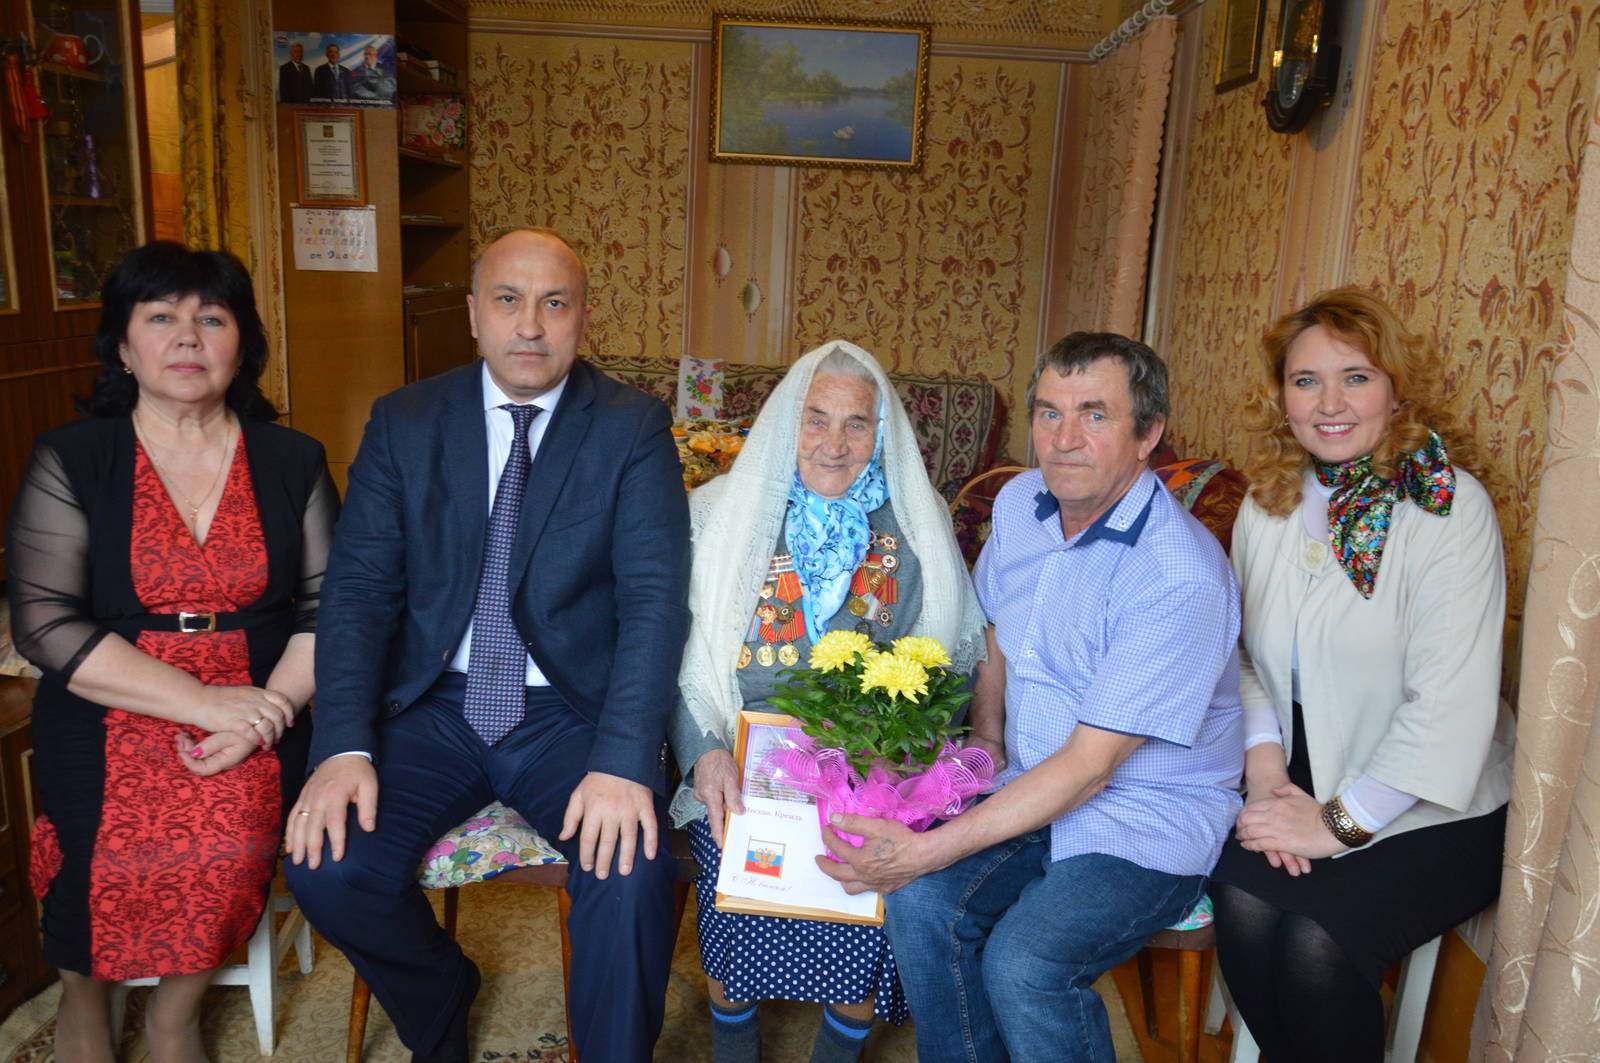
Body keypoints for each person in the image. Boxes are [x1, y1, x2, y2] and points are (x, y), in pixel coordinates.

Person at [284, 228, 690, 1063]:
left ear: (583, 318)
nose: (530, 325)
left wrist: (624, 758)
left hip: (568, 711)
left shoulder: (632, 426)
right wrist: (342, 744)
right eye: (508, 300)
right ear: (473, 313)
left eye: (554, 303)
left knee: (632, 869)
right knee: (329, 862)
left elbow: (653, 601)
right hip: (432, 704)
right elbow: (357, 595)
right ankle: (442, 995)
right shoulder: (405, 421)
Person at [819, 332, 1245, 1063]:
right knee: (921, 905)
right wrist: (986, 737)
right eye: (1049, 412)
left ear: (1148, 433)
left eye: (1094, 415)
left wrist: (926, 848)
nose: (1063, 439)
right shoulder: (1021, 501)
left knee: (1025, 965)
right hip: (1028, 780)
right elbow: (994, 628)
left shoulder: (1178, 574)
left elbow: (1089, 768)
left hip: (1145, 815)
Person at [6, 241, 337, 1063]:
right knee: (93, 855)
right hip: (109, 699)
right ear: (124, 346)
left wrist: (267, 712)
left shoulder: (292, 459)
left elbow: (329, 609)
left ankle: (173, 1014)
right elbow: (43, 620)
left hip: (258, 699)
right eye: (161, 318)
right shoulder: (74, 456)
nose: (187, 337)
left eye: (211, 319)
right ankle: (85, 1002)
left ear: (242, 344)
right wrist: (200, 702)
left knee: (228, 840)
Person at [1208, 288, 1513, 1062]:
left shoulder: (1450, 511)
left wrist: (1334, 825)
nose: (1329, 403)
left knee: (1313, 945)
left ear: (1396, 387)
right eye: (1306, 380)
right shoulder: (1267, 503)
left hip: (1435, 797)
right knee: (1240, 900)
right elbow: (1241, 656)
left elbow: (1447, 710)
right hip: (1299, 767)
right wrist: (1266, 773)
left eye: (1356, 377)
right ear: (1281, 396)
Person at [669, 340, 987, 1063]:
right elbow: (680, 660)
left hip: (868, 768)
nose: (834, 444)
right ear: (788, 422)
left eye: (856, 424)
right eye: (816, 419)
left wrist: (894, 771)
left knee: (867, 895)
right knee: (733, 904)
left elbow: (947, 664)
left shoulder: (916, 525)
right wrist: (705, 754)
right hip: (743, 761)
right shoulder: (718, 513)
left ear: (882, 432)